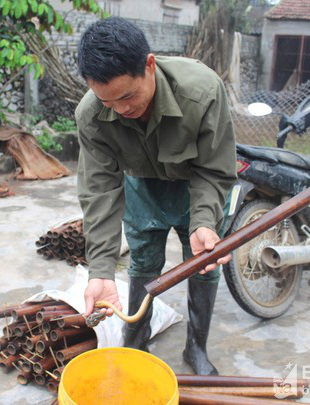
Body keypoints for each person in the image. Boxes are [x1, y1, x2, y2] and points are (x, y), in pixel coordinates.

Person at [75, 17, 237, 375]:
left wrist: (205, 220)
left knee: (203, 263)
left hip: (199, 186)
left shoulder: (202, 90)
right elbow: (99, 190)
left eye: (128, 96)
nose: (121, 109)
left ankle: (197, 347)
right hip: (143, 187)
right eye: (107, 100)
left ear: (149, 65)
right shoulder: (91, 114)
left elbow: (214, 167)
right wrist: (100, 269)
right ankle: (136, 343)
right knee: (144, 263)